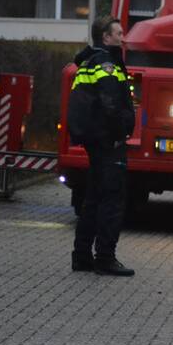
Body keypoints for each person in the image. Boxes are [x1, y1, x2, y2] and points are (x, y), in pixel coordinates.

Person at [67, 16, 137, 276]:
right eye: (118, 33)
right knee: (112, 200)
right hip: (107, 140)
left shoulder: (89, 61)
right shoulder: (106, 64)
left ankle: (82, 256)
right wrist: (119, 134)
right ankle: (105, 258)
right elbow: (110, 103)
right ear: (106, 37)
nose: (122, 37)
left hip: (95, 139)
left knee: (93, 198)